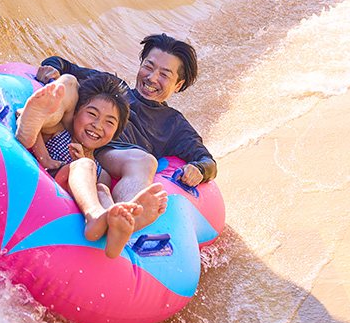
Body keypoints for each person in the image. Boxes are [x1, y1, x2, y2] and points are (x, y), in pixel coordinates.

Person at [36, 33, 217, 235]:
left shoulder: (173, 124)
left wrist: (198, 169)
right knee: (67, 86)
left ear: (178, 85)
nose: (152, 78)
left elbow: (207, 160)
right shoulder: (113, 88)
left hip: (113, 154)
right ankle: (33, 122)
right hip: (74, 137)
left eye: (164, 75)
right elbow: (64, 66)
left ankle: (121, 219)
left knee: (145, 161)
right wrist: (52, 69)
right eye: (149, 67)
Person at [15, 71, 167, 258]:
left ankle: (119, 222)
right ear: (76, 112)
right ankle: (94, 216)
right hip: (52, 177)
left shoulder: (100, 170)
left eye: (109, 122)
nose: (97, 125)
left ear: (115, 134)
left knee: (102, 187)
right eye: (92, 114)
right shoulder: (59, 130)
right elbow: (40, 130)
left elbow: (96, 189)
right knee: (85, 165)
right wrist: (45, 157)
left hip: (74, 195)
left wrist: (85, 166)